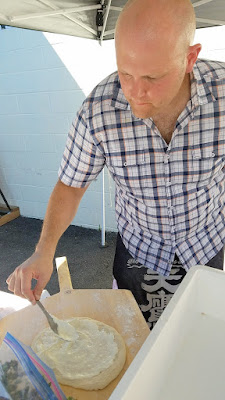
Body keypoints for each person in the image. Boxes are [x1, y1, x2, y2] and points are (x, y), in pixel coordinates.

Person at [7, 0, 225, 329]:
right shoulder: (99, 110)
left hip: (208, 245)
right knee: (136, 344)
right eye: (126, 73)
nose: (136, 92)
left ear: (189, 58)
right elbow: (70, 186)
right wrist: (43, 250)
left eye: (153, 77)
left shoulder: (222, 95)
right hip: (139, 252)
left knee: (201, 338)